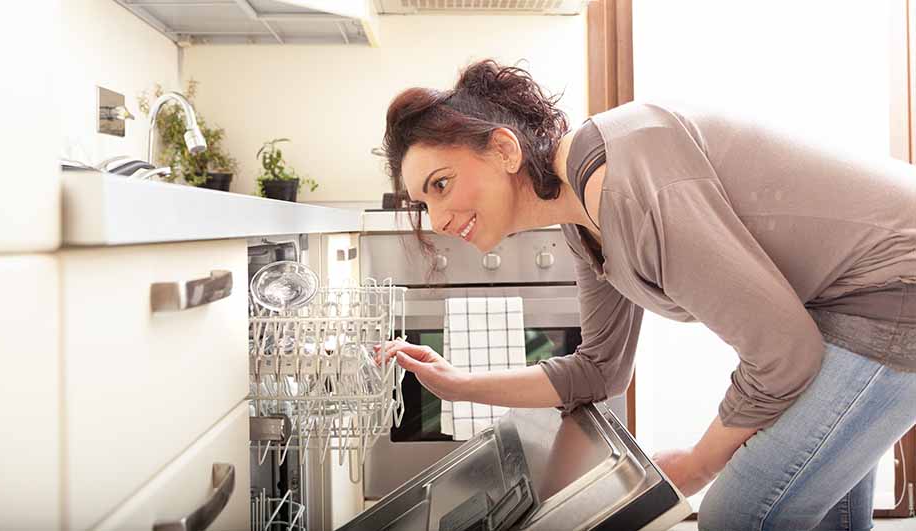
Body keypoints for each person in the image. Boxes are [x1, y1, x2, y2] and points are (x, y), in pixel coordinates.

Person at [377, 58, 916, 530]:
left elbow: (783, 354)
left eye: (440, 185)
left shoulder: (622, 185)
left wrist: (701, 461)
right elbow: (599, 371)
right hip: (848, 304)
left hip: (896, 291)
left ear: (503, 149)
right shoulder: (581, 216)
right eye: (423, 204)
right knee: (823, 517)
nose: (438, 219)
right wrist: (458, 384)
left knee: (736, 514)